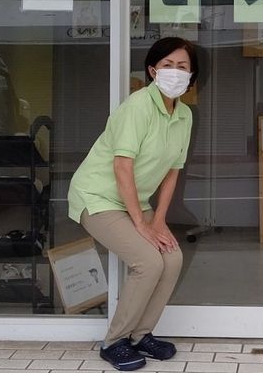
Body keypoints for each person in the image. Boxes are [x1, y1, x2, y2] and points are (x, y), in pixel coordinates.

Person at [68, 37, 198, 371]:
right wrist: (141, 223)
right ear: (153, 70)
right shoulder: (137, 107)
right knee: (148, 262)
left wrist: (159, 221)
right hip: (98, 197)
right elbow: (122, 166)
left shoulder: (184, 116)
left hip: (134, 201)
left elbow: (172, 173)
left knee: (172, 258)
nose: (175, 72)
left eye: (182, 66)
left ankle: (141, 335)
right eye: (167, 65)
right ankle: (114, 341)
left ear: (191, 75)